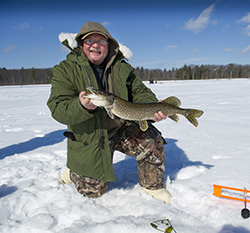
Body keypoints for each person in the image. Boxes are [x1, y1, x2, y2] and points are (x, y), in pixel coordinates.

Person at [47, 22, 171, 203]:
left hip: (119, 129)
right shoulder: (65, 69)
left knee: (152, 138)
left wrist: (152, 107)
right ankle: (74, 172)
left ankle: (151, 185)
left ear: (109, 45)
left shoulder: (122, 67)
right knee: (93, 191)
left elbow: (140, 93)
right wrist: (81, 107)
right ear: (82, 44)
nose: (95, 45)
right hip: (90, 136)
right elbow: (58, 107)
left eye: (101, 41)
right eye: (89, 40)